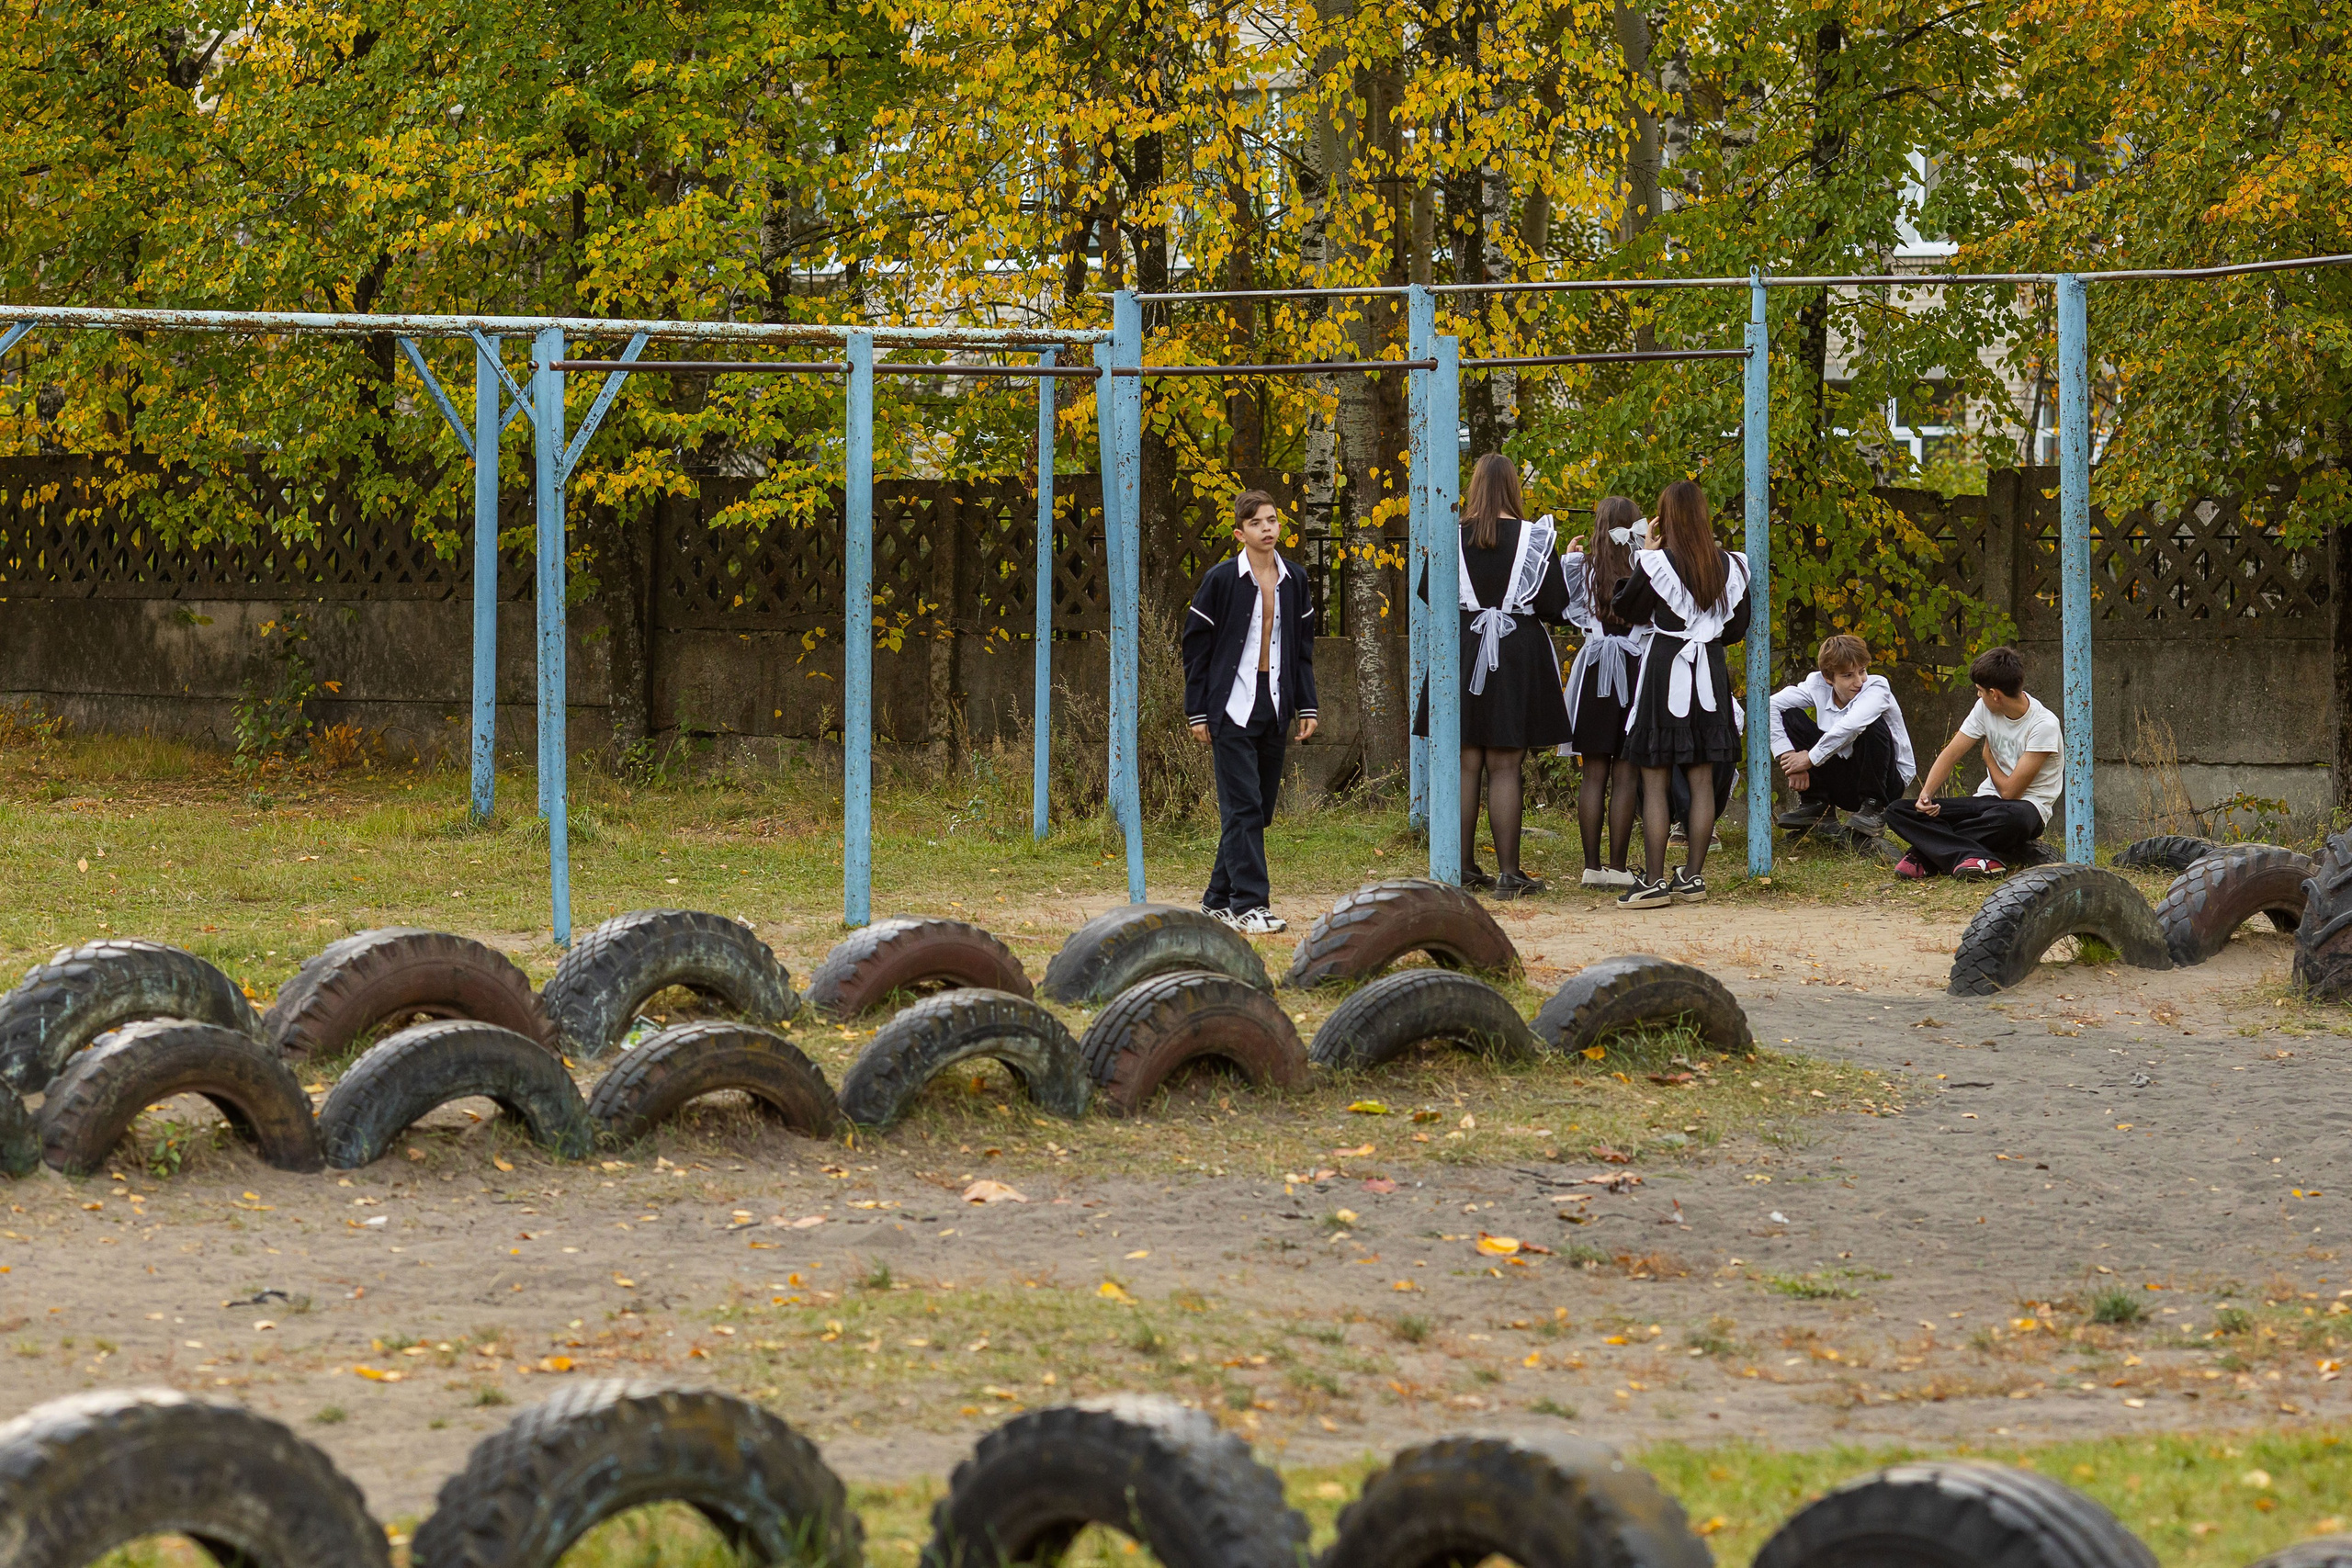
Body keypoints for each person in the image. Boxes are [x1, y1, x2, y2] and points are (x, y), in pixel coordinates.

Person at [1414, 453, 1574, 897]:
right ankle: (1509, 874)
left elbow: (1429, 591)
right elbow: (1556, 605)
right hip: (1516, 650)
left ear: (1475, 487)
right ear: (1512, 489)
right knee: (1506, 764)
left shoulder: (1452, 536)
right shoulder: (1534, 539)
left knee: (1466, 762)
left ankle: (1461, 868)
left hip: (1463, 648)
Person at [1182, 490, 1319, 932]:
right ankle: (1249, 906)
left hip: (1275, 704)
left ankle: (1216, 900)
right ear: (1240, 533)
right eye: (1257, 522)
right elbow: (1195, 649)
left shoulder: (1295, 580)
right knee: (1242, 808)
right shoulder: (1221, 579)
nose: (1268, 528)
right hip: (1230, 707)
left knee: (1258, 810)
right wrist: (1197, 711)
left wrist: (1307, 704)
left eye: (1273, 520)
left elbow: (1302, 651)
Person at [1610, 479, 1750, 908]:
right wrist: (1702, 634)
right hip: (1709, 666)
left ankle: (1653, 881)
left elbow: (1625, 609)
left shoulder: (1656, 563)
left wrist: (1646, 556)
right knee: (1702, 776)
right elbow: (1736, 629)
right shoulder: (1733, 564)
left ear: (1664, 518)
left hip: (1665, 666)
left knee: (1654, 778)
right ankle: (1692, 877)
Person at [1883, 646, 2062, 879]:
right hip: (1985, 803)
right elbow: (1951, 753)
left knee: (2012, 820)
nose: (1978, 696)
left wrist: (1988, 759)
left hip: (2025, 809)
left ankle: (1925, 853)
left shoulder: (2044, 725)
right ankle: (1975, 858)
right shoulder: (1984, 708)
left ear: (1995, 694)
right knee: (1897, 811)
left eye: (1980, 691)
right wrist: (1926, 795)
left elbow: (2010, 792)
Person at [1557, 496, 1646, 888]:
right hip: (1635, 669)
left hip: (1593, 672)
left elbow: (1565, 608)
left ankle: (1591, 866)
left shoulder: (1581, 569)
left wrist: (1569, 559)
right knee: (1626, 774)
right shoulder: (1646, 565)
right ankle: (1619, 867)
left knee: (1593, 773)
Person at [1769, 632, 1916, 839]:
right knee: (1791, 715)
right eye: (1848, 675)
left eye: (1862, 671)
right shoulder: (1816, 685)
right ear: (1828, 678)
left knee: (1871, 724)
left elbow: (1852, 725)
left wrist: (1809, 759)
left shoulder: (1876, 688)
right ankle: (1816, 804)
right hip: (1842, 777)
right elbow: (1770, 705)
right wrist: (1789, 758)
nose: (1858, 681)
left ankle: (1873, 809)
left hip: (1887, 782)